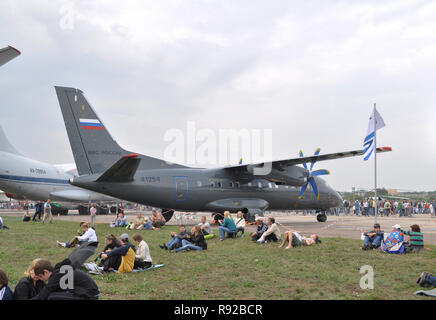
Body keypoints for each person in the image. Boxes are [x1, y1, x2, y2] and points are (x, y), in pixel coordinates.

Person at [32, 259, 99, 300]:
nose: (41, 279)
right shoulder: (58, 271)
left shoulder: (56, 276)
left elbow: (43, 295)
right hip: (89, 293)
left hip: (89, 296)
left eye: (40, 276)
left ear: (46, 272)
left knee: (52, 297)